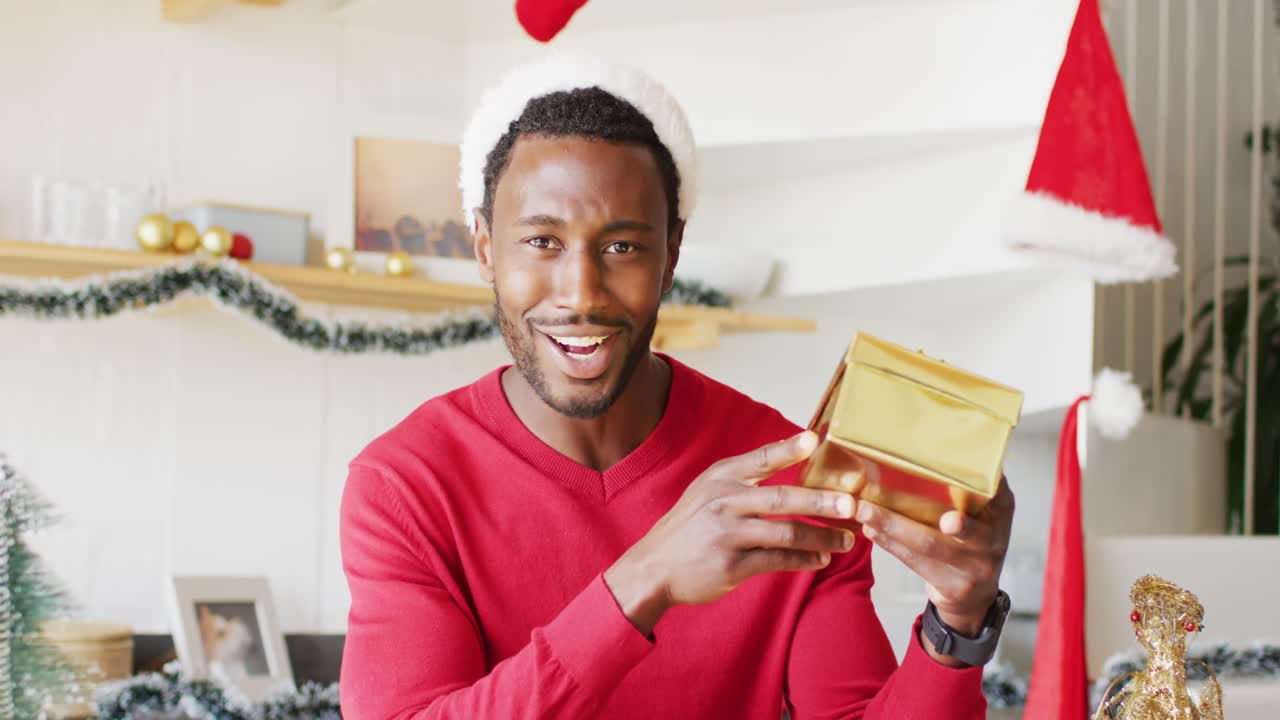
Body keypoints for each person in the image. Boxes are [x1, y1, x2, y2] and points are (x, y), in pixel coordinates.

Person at [339, 54, 1014, 720]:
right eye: (542, 242)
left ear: (672, 256)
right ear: (485, 248)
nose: (581, 294)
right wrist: (644, 581)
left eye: (622, 247)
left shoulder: (783, 477)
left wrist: (957, 625)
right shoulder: (405, 487)